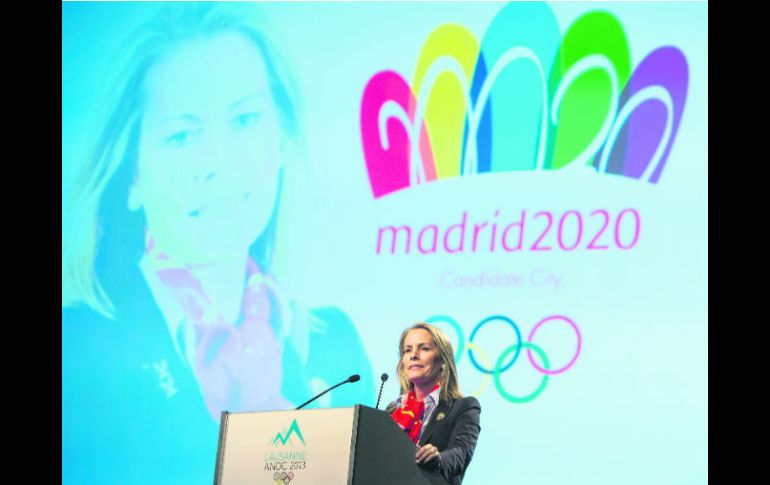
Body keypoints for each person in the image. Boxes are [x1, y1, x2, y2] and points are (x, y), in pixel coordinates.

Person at [61, 3, 372, 484]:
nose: (219, 162)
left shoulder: (335, 344)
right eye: (182, 136)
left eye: (244, 120)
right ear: (132, 177)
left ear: (281, 143)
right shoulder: (76, 350)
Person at [390, 323, 481, 485]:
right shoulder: (393, 410)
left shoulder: (464, 407)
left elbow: (461, 453)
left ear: (442, 361)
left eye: (424, 348)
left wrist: (438, 459)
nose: (413, 355)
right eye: (407, 350)